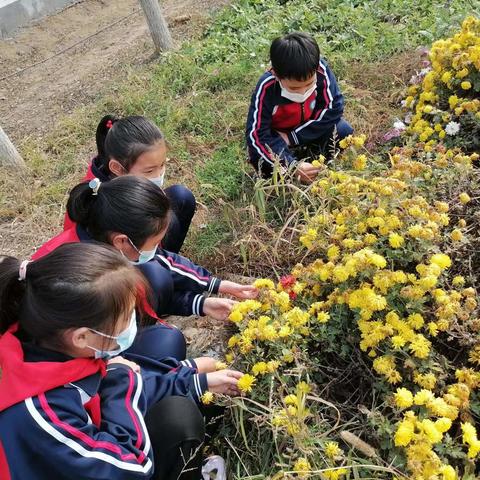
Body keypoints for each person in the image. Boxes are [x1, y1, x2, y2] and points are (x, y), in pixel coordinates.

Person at [0, 243, 243, 480]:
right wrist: (122, 381)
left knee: (166, 360)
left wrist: (196, 381)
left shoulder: (55, 346)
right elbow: (133, 467)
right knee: (178, 419)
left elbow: (119, 380)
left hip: (87, 454)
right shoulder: (41, 412)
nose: (132, 326)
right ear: (82, 336)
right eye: (127, 317)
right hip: (110, 466)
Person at [32, 176, 257, 358]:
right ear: (121, 241)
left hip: (95, 331)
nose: (159, 249)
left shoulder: (105, 239)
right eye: (155, 243)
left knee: (154, 275)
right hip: (71, 357)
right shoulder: (86, 278)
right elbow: (74, 350)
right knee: (166, 343)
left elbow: (165, 262)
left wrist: (205, 299)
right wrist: (189, 375)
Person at [63, 114, 195, 254]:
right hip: (116, 261)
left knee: (181, 197)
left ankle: (166, 257)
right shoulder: (108, 205)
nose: (159, 175)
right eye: (149, 171)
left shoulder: (121, 180)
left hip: (139, 243)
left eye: (162, 164)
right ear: (117, 168)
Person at [245, 32, 353, 182]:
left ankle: (314, 162)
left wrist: (293, 137)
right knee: (259, 158)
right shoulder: (267, 87)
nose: (303, 92)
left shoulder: (320, 69)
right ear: (276, 74)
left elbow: (334, 108)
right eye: (294, 88)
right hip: (278, 140)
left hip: (308, 130)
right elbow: (256, 135)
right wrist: (291, 166)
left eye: (309, 85)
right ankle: (293, 170)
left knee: (343, 131)